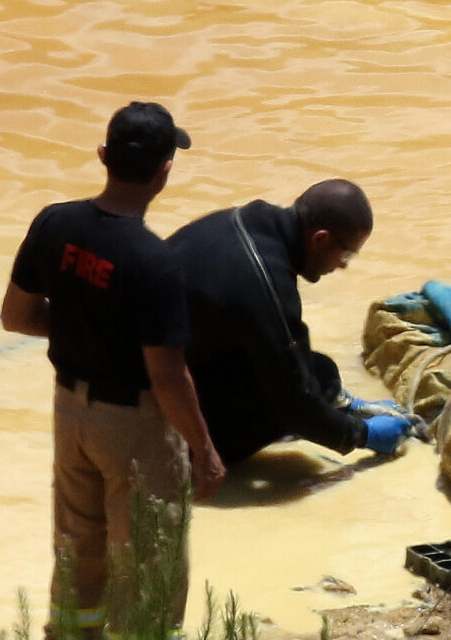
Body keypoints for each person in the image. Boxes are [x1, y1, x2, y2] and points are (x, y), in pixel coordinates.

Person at [1, 102, 225, 640]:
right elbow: (167, 376)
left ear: (103, 157)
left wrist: (81, 327)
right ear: (165, 170)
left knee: (79, 548)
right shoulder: (155, 262)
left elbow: (17, 317)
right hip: (137, 426)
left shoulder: (54, 223)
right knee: (149, 562)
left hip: (69, 412)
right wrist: (203, 449)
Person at [166, 179, 412, 466]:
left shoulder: (243, 220)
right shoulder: (265, 283)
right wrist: (360, 435)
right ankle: (191, 450)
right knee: (317, 384)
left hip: (142, 370)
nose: (343, 265)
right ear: (320, 239)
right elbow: (296, 405)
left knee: (317, 372)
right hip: (156, 413)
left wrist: (345, 406)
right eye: (345, 254)